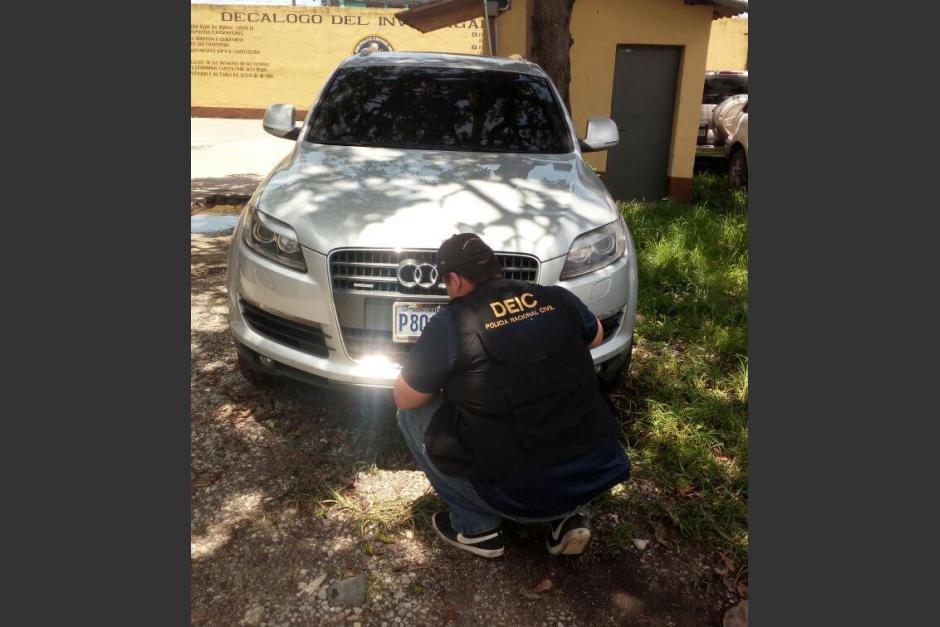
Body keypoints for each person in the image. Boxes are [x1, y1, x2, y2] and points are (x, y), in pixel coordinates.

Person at [393, 233, 630, 558]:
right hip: (591, 476)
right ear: (496, 268)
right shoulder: (556, 297)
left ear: (455, 280)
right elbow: (596, 336)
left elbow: (405, 397)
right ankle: (570, 516)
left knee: (410, 413)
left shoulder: (452, 322)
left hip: (513, 497)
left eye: (446, 284)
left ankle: (476, 527)